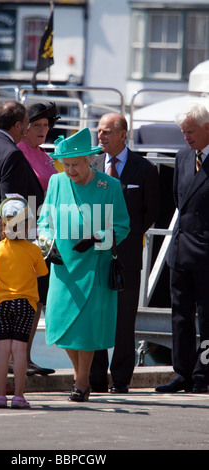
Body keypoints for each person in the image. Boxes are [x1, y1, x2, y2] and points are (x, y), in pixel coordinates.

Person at [37, 128, 130, 402]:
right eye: (66, 165)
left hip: (94, 265)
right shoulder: (56, 182)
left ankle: (80, 381)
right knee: (61, 325)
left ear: (89, 161)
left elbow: (122, 226)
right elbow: (44, 222)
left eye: (75, 165)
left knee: (86, 328)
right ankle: (83, 376)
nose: (70, 170)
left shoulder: (109, 186)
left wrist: (97, 239)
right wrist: (48, 244)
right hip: (63, 266)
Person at [0, 101, 45, 387]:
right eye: (26, 124)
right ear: (17, 126)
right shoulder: (11, 154)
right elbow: (11, 207)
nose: (27, 129)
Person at [89, 113, 160, 393]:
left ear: (122, 134)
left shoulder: (145, 169)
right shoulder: (91, 165)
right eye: (99, 131)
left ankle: (120, 379)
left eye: (107, 132)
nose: (101, 136)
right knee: (95, 316)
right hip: (94, 254)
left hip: (127, 255)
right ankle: (94, 378)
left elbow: (150, 212)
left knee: (123, 319)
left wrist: (124, 237)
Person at [156, 103, 209, 394]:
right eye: (183, 132)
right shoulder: (183, 157)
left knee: (208, 318)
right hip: (182, 249)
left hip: (206, 252)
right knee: (180, 315)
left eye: (190, 132)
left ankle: (204, 373)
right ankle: (182, 373)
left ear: (206, 128)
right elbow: (180, 203)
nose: (186, 137)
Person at [0, 196, 48, 409]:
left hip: (2, 304)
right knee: (20, 351)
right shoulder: (33, 250)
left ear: (3, 225)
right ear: (26, 226)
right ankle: (18, 396)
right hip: (25, 304)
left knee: (2, 351)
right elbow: (42, 273)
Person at [17, 101, 59, 376]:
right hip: (23, 237)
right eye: (37, 125)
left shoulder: (45, 155)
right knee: (24, 299)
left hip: (46, 237)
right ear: (24, 127)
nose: (44, 130)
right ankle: (15, 358)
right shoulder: (17, 153)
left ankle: (27, 357)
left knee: (38, 300)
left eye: (47, 125)